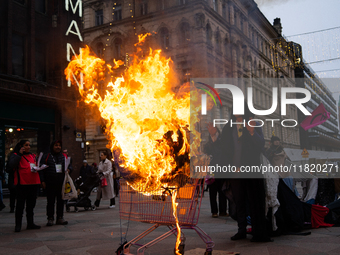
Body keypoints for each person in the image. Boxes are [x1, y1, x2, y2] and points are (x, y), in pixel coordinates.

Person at [204, 102, 271, 242]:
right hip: (235, 172)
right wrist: (214, 136)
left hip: (251, 171)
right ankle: (241, 230)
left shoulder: (254, 123)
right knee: (238, 202)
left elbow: (260, 145)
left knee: (255, 201)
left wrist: (252, 132)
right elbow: (222, 148)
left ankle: (258, 231)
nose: (236, 111)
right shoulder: (229, 127)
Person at [7, 140, 41, 232]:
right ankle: (18, 225)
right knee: (20, 206)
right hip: (22, 184)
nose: (28, 147)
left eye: (29, 145)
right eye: (26, 145)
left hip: (33, 183)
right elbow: (11, 165)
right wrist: (19, 155)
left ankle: (30, 223)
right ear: (21, 146)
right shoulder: (15, 155)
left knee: (31, 205)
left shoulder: (33, 156)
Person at [39, 140, 72, 226]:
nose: (58, 147)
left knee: (61, 201)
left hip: (61, 182)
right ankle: (50, 218)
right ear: (52, 146)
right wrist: (42, 181)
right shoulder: (47, 156)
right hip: (50, 182)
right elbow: (41, 169)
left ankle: (60, 217)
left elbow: (69, 166)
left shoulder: (63, 156)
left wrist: (69, 169)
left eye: (59, 146)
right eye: (56, 145)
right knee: (50, 201)